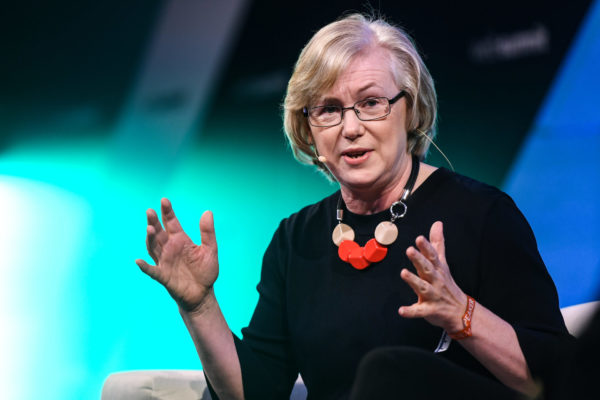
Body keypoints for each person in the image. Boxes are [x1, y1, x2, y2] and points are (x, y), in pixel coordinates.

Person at [136, 13, 573, 400]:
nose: (350, 128)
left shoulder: (482, 215)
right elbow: (256, 392)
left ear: (411, 110)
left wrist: (461, 313)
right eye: (328, 109)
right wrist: (199, 305)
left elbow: (557, 379)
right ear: (308, 130)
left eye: (370, 104)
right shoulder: (296, 239)